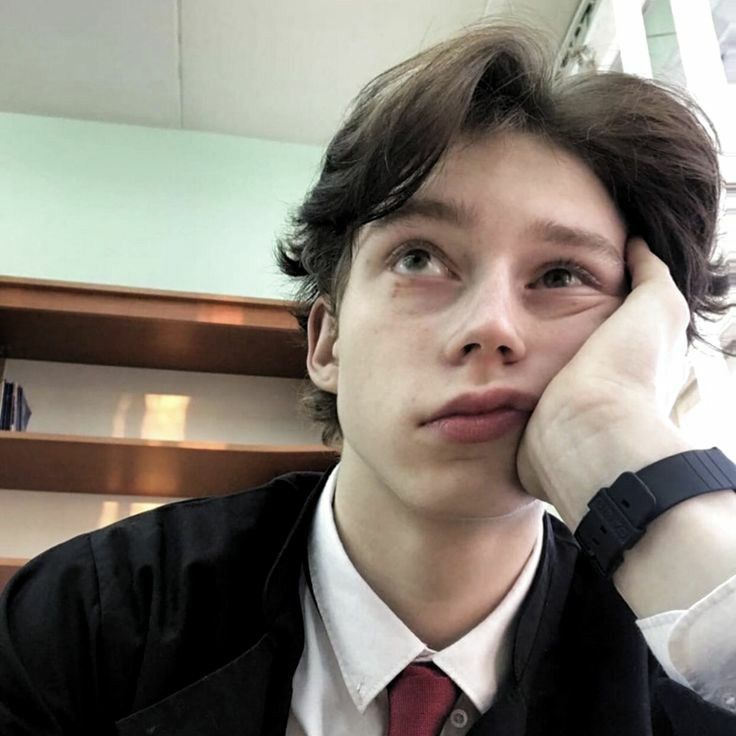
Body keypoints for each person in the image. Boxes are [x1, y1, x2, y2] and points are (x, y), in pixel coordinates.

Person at [1, 21, 735, 736]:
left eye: (562, 275)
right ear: (327, 342)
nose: (493, 327)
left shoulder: (684, 660)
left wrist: (616, 439)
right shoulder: (87, 614)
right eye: (419, 258)